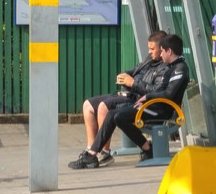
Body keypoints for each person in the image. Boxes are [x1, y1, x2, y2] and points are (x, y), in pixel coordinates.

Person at [72, 32, 190, 167]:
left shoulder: (179, 68)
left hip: (161, 109)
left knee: (115, 115)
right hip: (151, 105)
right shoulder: (170, 66)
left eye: (162, 51)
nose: (161, 54)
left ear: (169, 51)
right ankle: (146, 148)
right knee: (117, 117)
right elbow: (160, 89)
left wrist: (147, 96)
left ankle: (93, 154)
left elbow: (168, 94)